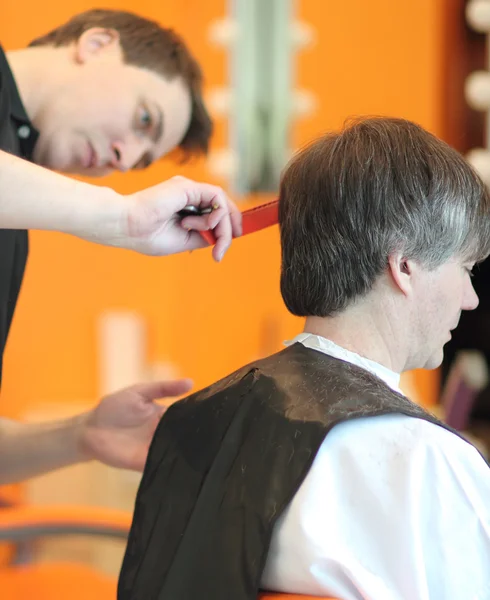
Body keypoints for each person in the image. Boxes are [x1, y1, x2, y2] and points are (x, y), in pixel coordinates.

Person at [118, 117, 490, 600]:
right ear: (403, 267)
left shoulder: (189, 422)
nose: (471, 299)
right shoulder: (428, 461)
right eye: (464, 269)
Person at [0, 10, 241, 485]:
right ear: (96, 44)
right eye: (143, 118)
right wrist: (123, 217)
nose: (124, 158)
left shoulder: (17, 229)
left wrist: (81, 435)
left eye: (141, 161)